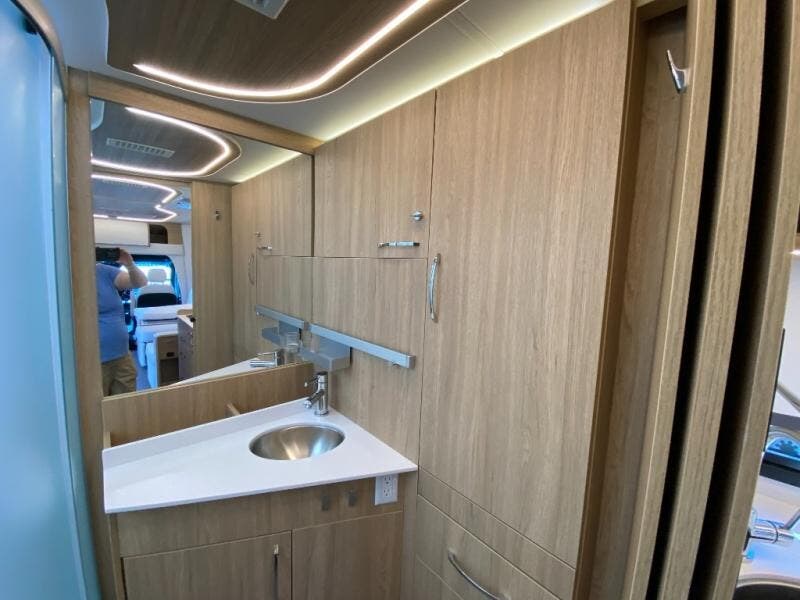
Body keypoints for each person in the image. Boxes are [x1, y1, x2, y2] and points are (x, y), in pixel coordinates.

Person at [96, 248, 147, 395]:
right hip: (95, 361)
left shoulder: (103, 271)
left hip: (122, 355)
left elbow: (140, 282)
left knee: (126, 404)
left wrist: (129, 263)